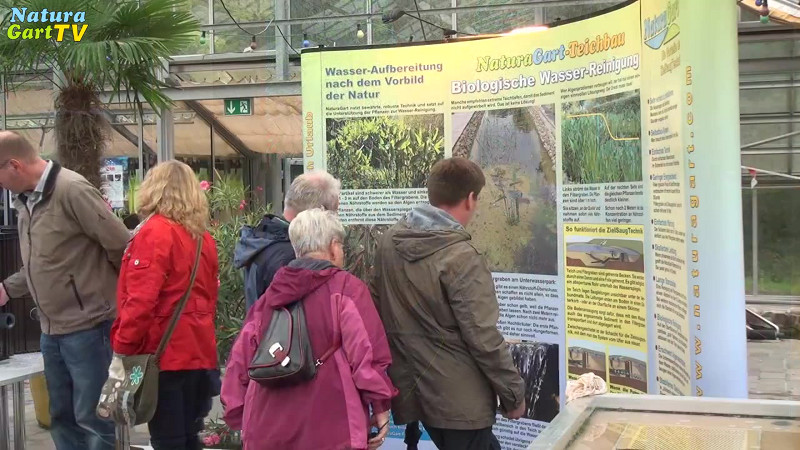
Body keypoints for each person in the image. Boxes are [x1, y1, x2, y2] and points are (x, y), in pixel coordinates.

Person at [370, 157, 526, 450]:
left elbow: (377, 308)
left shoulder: (389, 242)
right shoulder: (462, 257)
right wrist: (513, 395)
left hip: (416, 392)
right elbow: (483, 336)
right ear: (470, 199)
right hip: (460, 402)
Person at [222, 208, 396, 450]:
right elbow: (366, 356)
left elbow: (239, 363)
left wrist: (238, 413)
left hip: (267, 430)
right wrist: (380, 406)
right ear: (333, 246)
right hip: (333, 430)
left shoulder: (267, 300)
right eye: (341, 246)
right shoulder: (347, 290)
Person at [0, 130, 130, 450]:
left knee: (94, 418)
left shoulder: (72, 190)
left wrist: (105, 300)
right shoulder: (26, 201)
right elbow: (44, 262)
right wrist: (7, 288)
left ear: (14, 165)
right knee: (61, 417)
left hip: (90, 328)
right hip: (51, 330)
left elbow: (121, 245)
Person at [109, 160, 219, 450]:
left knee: (167, 440)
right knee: (189, 437)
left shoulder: (155, 232)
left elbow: (141, 300)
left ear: (153, 189)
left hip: (164, 355)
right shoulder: (203, 238)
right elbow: (210, 296)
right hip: (199, 351)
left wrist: (122, 347)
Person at [234, 171, 341, 311]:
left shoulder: (261, 239)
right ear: (317, 213)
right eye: (333, 213)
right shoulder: (293, 255)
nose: (335, 220)